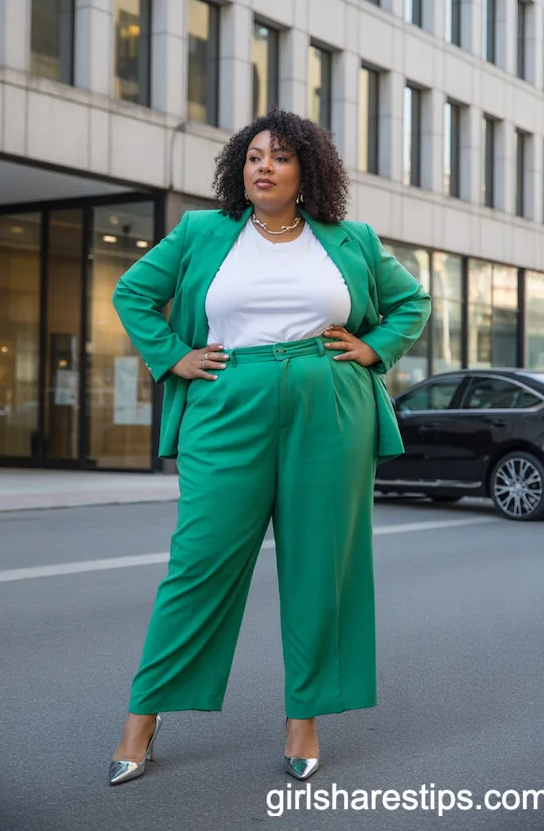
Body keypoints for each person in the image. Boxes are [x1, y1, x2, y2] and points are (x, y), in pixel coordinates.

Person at [109, 107, 431, 786]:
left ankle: (303, 717)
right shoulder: (203, 231)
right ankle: (144, 713)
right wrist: (173, 356)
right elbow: (134, 291)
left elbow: (413, 304)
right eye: (255, 155)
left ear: (306, 171)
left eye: (280, 157)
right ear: (240, 168)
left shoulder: (353, 240)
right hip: (229, 401)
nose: (264, 166)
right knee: (199, 560)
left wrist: (375, 348)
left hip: (330, 403)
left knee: (321, 564)